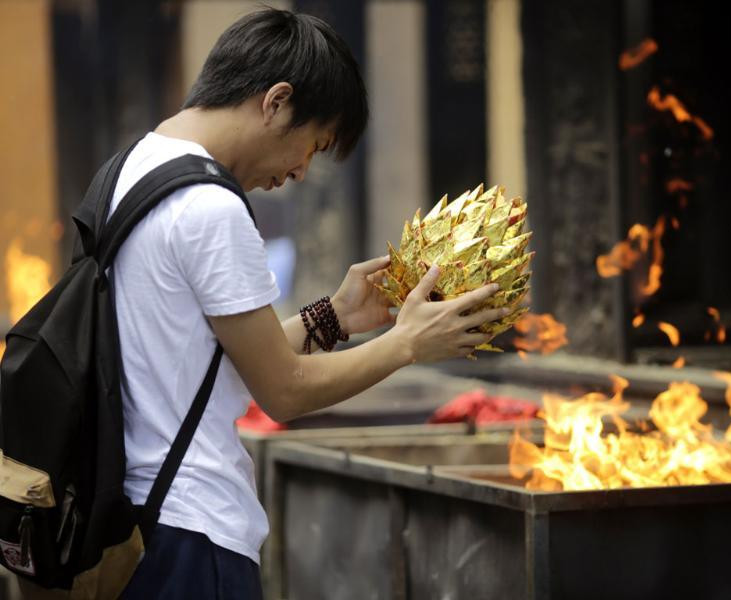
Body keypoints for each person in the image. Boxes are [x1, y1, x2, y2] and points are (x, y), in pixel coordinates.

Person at [115, 7, 507, 598]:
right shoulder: (211, 208)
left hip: (140, 517)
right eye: (312, 145)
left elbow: (205, 358)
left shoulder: (137, 166)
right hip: (191, 530)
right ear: (276, 102)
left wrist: (333, 318)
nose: (300, 171)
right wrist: (405, 344)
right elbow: (284, 391)